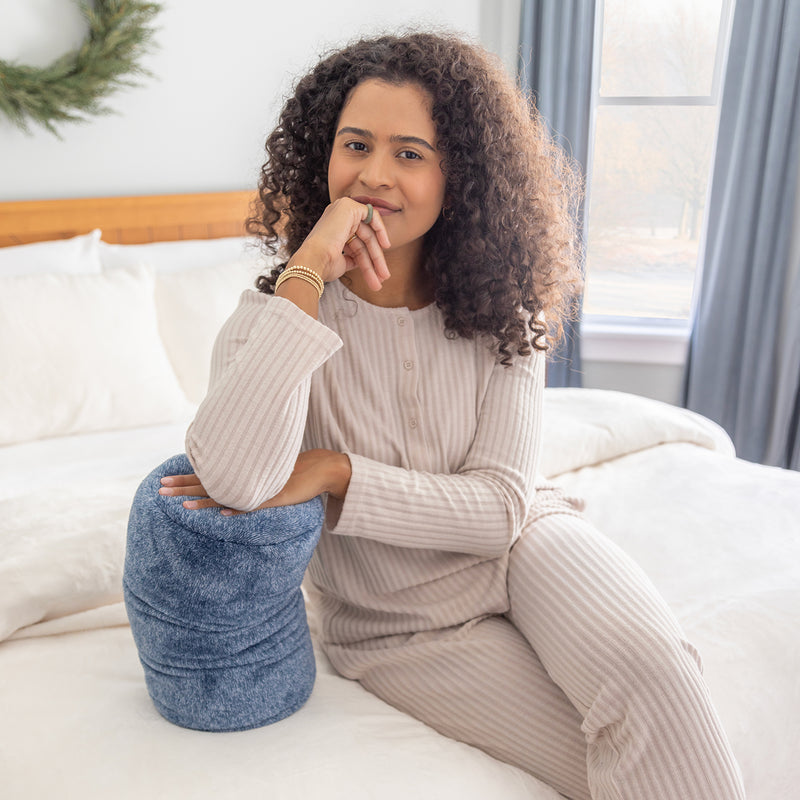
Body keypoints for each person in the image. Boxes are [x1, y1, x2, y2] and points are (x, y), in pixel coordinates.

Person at [157, 32, 745, 800]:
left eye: (409, 154)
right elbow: (236, 479)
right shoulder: (269, 322)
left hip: (532, 545)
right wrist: (306, 271)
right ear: (320, 156)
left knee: (659, 675)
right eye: (355, 145)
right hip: (400, 627)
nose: (372, 176)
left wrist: (337, 474)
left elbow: (501, 508)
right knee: (619, 767)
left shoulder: (505, 309)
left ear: (458, 174)